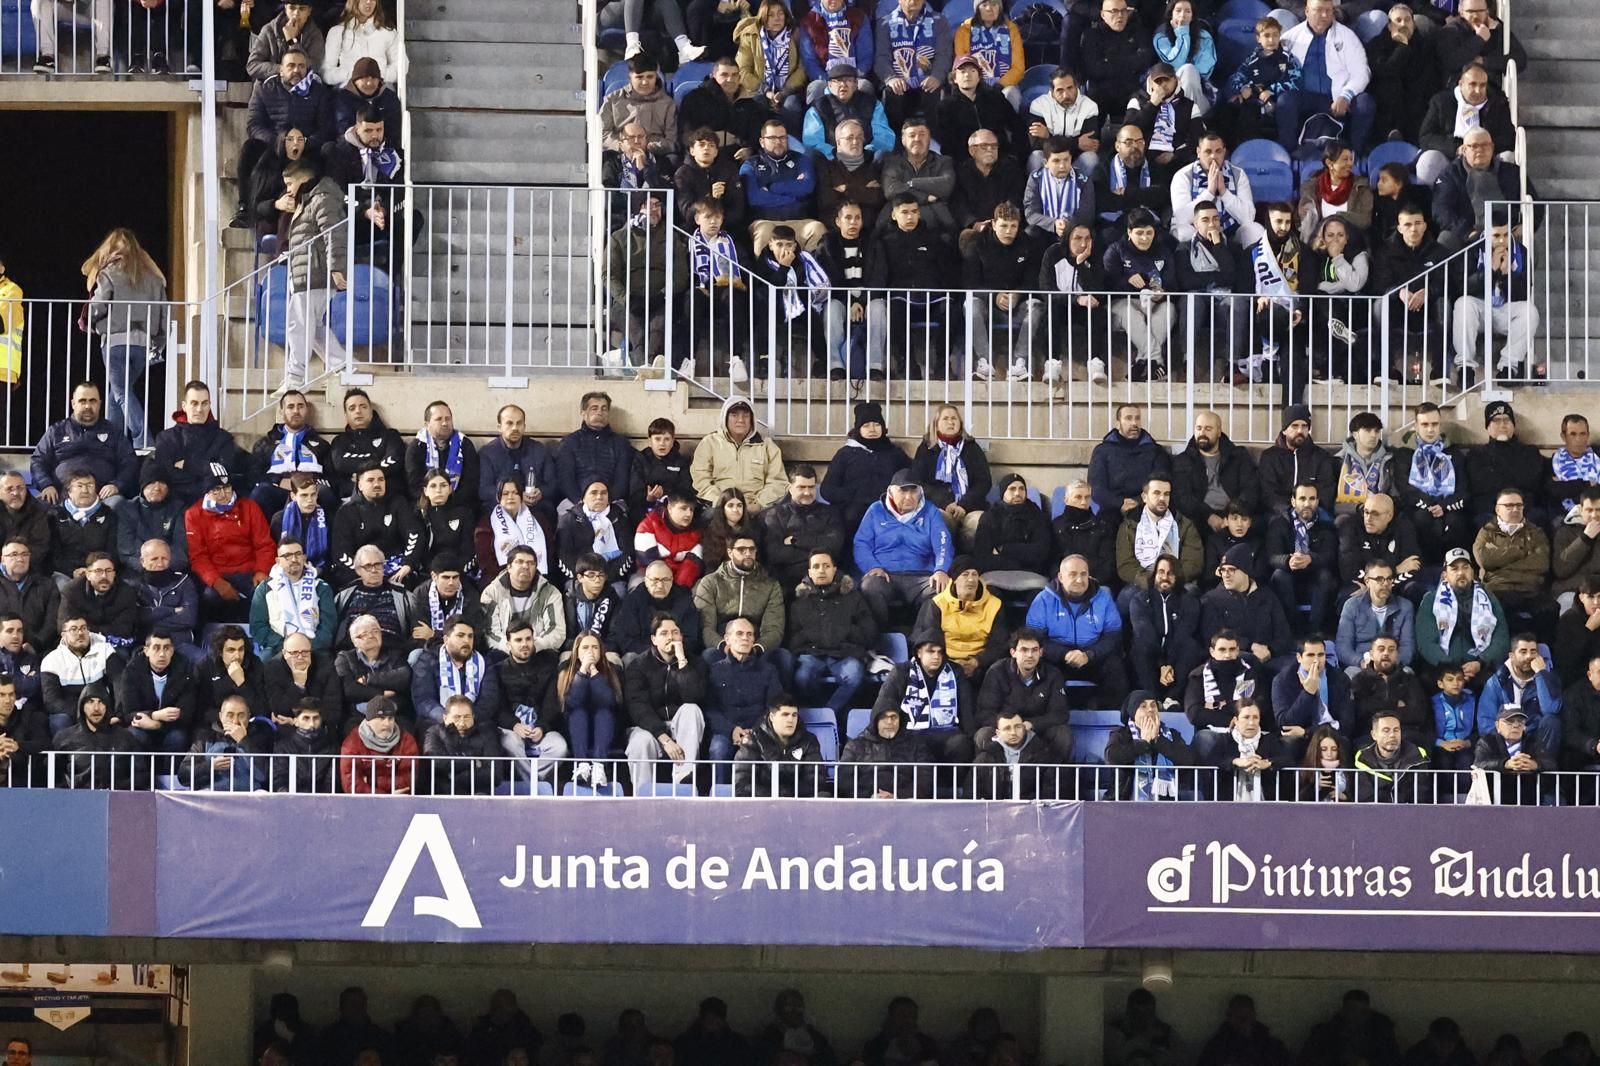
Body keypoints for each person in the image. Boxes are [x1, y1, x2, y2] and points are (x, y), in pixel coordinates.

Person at [1024, 554, 1127, 708]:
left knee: (1115, 666)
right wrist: (1063, 654)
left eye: (1083, 574)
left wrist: (1089, 655)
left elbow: (1113, 637)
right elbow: (1035, 639)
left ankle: (1112, 718)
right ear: (1060, 576)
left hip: (1092, 655)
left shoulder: (1103, 598)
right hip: (1057, 656)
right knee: (1035, 663)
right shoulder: (1044, 599)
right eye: (1073, 574)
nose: (1079, 580)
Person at [853, 471, 955, 625]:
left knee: (941, 589)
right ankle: (881, 640)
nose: (908, 496)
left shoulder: (930, 511)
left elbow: (943, 543)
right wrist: (873, 566)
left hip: (922, 577)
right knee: (870, 586)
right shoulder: (875, 510)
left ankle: (922, 642)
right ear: (891, 491)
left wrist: (940, 569)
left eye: (913, 491)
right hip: (886, 575)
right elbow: (861, 544)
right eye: (903, 490)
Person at [962, 203, 1047, 383]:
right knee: (971, 304)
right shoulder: (977, 243)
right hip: (988, 306)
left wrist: (1017, 294)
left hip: (1017, 305)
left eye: (1013, 226)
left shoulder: (1028, 245)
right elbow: (969, 283)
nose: (1009, 231)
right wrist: (994, 296)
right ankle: (983, 362)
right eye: (1003, 226)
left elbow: (1034, 282)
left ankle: (1019, 363)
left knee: (1036, 306)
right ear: (993, 224)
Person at [1277, 0, 1375, 155]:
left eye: (1329, 11)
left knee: (1365, 103)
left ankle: (1356, 153)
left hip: (1337, 98)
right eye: (1318, 10)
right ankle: (1288, 153)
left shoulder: (1348, 37)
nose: (1324, 15)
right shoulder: (1290, 38)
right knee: (1285, 101)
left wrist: (1346, 95)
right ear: (1307, 11)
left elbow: (1362, 71)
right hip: (1306, 98)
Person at [622, 614, 707, 791]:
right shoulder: (638, 665)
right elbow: (638, 707)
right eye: (664, 633)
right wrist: (664, 739)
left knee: (692, 710)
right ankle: (643, 795)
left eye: (675, 632)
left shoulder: (695, 662)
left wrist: (682, 663)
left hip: (681, 727)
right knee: (640, 743)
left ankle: (684, 782)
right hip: (649, 729)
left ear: (681, 637)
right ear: (654, 639)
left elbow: (694, 696)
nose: (671, 637)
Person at [872, 632, 975, 768]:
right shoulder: (902, 671)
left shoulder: (955, 671)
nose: (936, 657)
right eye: (930, 651)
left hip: (946, 734)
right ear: (919, 652)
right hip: (910, 733)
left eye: (940, 652)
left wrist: (972, 736)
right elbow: (884, 704)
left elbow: (967, 711)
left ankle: (950, 786)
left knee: (961, 743)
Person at [185, 464, 275, 621]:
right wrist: (217, 582)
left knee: (267, 593)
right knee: (209, 597)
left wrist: (262, 571)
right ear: (207, 491)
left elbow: (264, 544)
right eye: (216, 490)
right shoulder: (193, 514)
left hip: (250, 571)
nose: (223, 494)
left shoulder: (249, 507)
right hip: (219, 574)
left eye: (227, 488)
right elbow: (198, 556)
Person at [1453, 221, 1539, 381]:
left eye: (1506, 235)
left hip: (1506, 310)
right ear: (1486, 235)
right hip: (1480, 309)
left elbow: (1525, 292)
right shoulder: (1471, 250)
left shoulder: (1521, 251)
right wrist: (1491, 270)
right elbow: (1463, 287)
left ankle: (1509, 367)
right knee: (1463, 303)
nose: (1501, 240)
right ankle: (1465, 368)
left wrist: (1507, 275)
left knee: (1530, 311)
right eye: (1496, 236)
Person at [30, 382, 139, 508]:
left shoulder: (113, 432)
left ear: (99, 404)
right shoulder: (56, 431)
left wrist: (117, 485)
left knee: (117, 504)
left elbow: (129, 462)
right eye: (82, 401)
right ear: (73, 404)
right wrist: (46, 485)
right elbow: (38, 461)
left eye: (92, 401)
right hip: (61, 497)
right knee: (35, 507)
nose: (88, 406)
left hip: (104, 498)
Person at [974, 626, 1072, 759]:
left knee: (1062, 734)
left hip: (1037, 730)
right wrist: (1010, 727)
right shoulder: (997, 672)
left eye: (1034, 650)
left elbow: (1060, 714)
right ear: (1013, 652)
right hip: (1007, 730)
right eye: (1024, 650)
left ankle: (1056, 779)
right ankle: (992, 779)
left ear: (1041, 652)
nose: (1030, 655)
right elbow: (984, 713)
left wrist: (1032, 724)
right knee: (984, 735)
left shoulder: (1053, 674)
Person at [1102, 208, 1177, 380]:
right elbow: (1105, 285)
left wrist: (1163, 293)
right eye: (1139, 233)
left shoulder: (1163, 251)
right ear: (1129, 232)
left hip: (1154, 303)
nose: (1145, 238)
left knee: (1169, 310)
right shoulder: (1116, 250)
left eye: (1149, 233)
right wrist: (1126, 280)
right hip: (1121, 304)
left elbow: (1173, 284)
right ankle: (1156, 360)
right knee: (1130, 312)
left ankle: (1142, 363)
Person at [1419, 548, 1511, 684]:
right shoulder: (1431, 600)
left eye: (1465, 568)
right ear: (1445, 575)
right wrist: (1450, 667)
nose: (1461, 573)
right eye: (1454, 569)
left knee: (1497, 682)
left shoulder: (1488, 598)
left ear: (1472, 572)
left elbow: (1501, 637)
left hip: (1480, 668)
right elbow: (1425, 642)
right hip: (1443, 670)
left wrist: (1481, 662)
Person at [1392, 402, 1469, 561]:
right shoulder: (1404, 453)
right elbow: (1404, 488)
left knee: (1455, 522)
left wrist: (1443, 506)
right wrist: (1430, 504)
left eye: (1434, 424)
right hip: (1417, 507)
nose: (1430, 429)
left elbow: (1464, 488)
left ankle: (1452, 569)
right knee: (1420, 519)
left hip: (1449, 506)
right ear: (1416, 425)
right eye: (1425, 424)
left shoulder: (1453, 453)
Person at [1200, 544, 1295, 668]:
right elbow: (1212, 637)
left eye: (1231, 569)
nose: (1226, 575)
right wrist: (1250, 646)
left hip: (1269, 659)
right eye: (1223, 570)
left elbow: (1284, 635)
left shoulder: (1267, 596)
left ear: (1246, 571)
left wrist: (1270, 650)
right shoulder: (1211, 600)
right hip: (1234, 661)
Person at [1264, 482, 1340, 635]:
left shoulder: (1326, 524)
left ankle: (1315, 630)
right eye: (1302, 498)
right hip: (1289, 570)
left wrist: (1310, 559)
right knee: (1279, 576)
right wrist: (1288, 560)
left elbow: (1330, 555)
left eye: (1312, 499)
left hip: (1314, 569)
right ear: (1293, 501)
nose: (1307, 504)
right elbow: (1272, 556)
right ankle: (1293, 629)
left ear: (1317, 501)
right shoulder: (1279, 523)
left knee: (1325, 576)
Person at [910, 404, 991, 546]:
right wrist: (946, 503)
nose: (950, 422)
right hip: (940, 506)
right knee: (938, 521)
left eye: (954, 418)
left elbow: (983, 482)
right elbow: (918, 482)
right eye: (945, 419)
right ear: (936, 424)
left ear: (960, 423)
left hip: (970, 507)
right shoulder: (927, 448)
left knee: (979, 523)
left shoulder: (971, 448)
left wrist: (963, 505)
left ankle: (973, 565)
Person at [821, 402, 909, 532]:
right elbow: (827, 489)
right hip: (852, 518)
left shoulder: (895, 453)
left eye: (877, 424)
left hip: (889, 515)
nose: (872, 429)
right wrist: (854, 495)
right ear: (858, 429)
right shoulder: (845, 454)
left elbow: (910, 479)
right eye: (866, 425)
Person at [692, 397, 788, 515]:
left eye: (746, 415)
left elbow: (777, 481)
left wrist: (759, 504)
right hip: (719, 506)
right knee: (708, 517)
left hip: (756, 508)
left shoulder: (766, 446)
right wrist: (721, 501)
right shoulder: (709, 443)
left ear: (752, 419)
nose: (741, 420)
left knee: (772, 520)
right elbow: (700, 479)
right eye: (734, 415)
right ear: (725, 418)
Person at [915, 557, 1007, 681]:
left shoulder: (994, 605)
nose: (971, 579)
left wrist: (977, 661)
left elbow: (999, 643)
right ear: (954, 580)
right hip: (944, 663)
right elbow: (929, 639)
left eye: (974, 575)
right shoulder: (937, 604)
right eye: (965, 574)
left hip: (981, 666)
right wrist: (950, 663)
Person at [1472, 488, 1551, 631]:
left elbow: (1541, 563)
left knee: (1550, 608)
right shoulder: (1487, 532)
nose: (1515, 509)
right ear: (1497, 509)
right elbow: (1485, 560)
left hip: (1530, 589)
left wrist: (1501, 562)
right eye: (1509, 506)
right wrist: (1520, 551)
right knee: (1499, 609)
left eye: (1519, 505)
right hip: (1499, 588)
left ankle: (1541, 649)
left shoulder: (1536, 532)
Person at [693, 532, 785, 654]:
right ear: (730, 553)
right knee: (709, 656)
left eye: (752, 550)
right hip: (721, 645)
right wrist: (723, 646)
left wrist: (756, 648)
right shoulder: (710, 582)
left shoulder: (770, 585)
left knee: (784, 658)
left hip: (755, 645)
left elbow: (774, 628)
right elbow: (706, 626)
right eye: (742, 550)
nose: (748, 554)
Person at [1116, 475, 1203, 603]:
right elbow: (1125, 565)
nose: (1162, 498)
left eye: (1166, 494)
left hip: (1177, 581)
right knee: (1127, 597)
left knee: (1191, 592)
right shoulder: (1129, 525)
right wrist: (1152, 581)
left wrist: (1170, 578)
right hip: (1141, 583)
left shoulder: (1184, 524)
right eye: (1156, 493)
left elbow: (1193, 563)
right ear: (1144, 497)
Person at [1130, 554, 1205, 702]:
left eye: (1170, 573)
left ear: (1177, 576)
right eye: (1161, 572)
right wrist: (1162, 664)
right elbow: (1145, 635)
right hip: (1153, 657)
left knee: (1191, 646)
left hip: (1176, 657)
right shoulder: (1140, 600)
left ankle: (1172, 698)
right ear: (1154, 574)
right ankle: (1152, 699)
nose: (1165, 577)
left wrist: (1169, 663)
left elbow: (1183, 635)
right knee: (1139, 647)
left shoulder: (1189, 601)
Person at [1171, 409, 1260, 533]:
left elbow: (1250, 489)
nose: (1202, 433)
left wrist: (1233, 515)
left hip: (1234, 515)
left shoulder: (1239, 457)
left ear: (1219, 432)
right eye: (1198, 428)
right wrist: (1208, 516)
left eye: (1208, 429)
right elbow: (1183, 497)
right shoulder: (1183, 461)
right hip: (1199, 517)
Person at [553, 632, 623, 789]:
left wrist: (595, 673)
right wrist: (583, 672)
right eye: (585, 648)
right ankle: (582, 765)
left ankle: (599, 766)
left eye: (594, 648)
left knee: (603, 711)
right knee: (579, 711)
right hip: (575, 729)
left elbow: (609, 701)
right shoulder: (565, 670)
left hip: (606, 730)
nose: (590, 652)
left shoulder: (613, 670)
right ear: (577, 651)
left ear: (601, 651)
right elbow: (572, 702)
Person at [248, 537, 336, 658]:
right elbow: (258, 627)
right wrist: (288, 646)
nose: (294, 559)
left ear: (304, 558)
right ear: (278, 561)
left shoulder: (320, 587)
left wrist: (307, 647)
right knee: (263, 661)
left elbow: (328, 627)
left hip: (314, 648)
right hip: (278, 649)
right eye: (287, 555)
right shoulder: (265, 589)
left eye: (298, 554)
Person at [873, 0, 954, 130]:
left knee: (935, 92)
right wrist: (891, 78)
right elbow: (881, 57)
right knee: (891, 92)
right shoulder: (885, 23)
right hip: (899, 80)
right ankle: (897, 141)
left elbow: (943, 54)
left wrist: (937, 76)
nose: (913, 0)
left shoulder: (939, 21)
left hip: (928, 80)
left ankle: (934, 142)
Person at [1477, 634, 1562, 758]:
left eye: (1533, 652)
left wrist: (1540, 674)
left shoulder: (1547, 678)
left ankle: (1543, 772)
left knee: (1552, 721)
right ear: (1512, 656)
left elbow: (1550, 709)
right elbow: (1485, 723)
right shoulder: (1497, 682)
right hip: (1503, 745)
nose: (1529, 657)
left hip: (1535, 744)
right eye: (1523, 652)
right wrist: (1511, 738)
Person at [411, 616, 503, 728]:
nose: (466, 640)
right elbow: (423, 700)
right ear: (446, 639)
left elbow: (489, 700)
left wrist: (467, 720)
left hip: (475, 724)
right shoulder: (428, 660)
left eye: (470, 636)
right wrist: (448, 719)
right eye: (460, 635)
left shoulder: (484, 663)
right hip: (438, 724)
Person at [115, 631, 197, 755]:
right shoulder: (132, 671)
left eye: (166, 648)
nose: (162, 654)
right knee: (135, 734)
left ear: (172, 650)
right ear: (146, 651)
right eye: (156, 648)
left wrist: (157, 725)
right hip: (143, 726)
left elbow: (186, 713)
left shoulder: (185, 669)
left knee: (178, 737)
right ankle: (142, 774)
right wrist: (154, 715)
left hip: (172, 727)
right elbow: (128, 713)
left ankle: (172, 774)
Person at [1169, 132, 1258, 247]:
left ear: (1224, 152)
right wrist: (1209, 192)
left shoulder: (1238, 174)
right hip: (1197, 231)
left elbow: (1248, 217)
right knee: (1183, 232)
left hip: (1230, 230)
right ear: (1198, 152)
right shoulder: (1183, 176)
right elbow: (1181, 217)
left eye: (1218, 151)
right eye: (1208, 151)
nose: (1213, 156)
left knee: (1254, 230)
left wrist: (1224, 192)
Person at [51, 683, 145, 791]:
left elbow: (141, 775)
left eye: (101, 702)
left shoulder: (126, 737)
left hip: (116, 801)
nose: (96, 708)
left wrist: (117, 788)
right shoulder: (64, 738)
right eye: (90, 702)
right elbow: (55, 776)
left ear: (107, 706)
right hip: (76, 801)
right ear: (82, 706)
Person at [1106, 689, 1196, 800]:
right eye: (1143, 706)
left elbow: (1188, 759)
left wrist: (1158, 740)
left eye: (1153, 706)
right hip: (1125, 801)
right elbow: (1112, 757)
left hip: (1166, 803)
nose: (1150, 710)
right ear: (1133, 712)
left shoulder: (1171, 734)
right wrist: (1143, 743)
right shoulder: (1121, 734)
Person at [972, 473, 1053, 593]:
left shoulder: (1037, 516)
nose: (1017, 493)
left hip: (1032, 577)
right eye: (1012, 489)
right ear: (1003, 493)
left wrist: (1004, 549)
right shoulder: (990, 517)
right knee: (990, 596)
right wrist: (1022, 560)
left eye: (1021, 489)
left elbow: (1042, 553)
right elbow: (982, 557)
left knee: (1038, 598)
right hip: (996, 577)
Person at [479, 545, 565, 657]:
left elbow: (557, 631)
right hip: (504, 651)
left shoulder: (550, 593)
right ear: (509, 567)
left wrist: (532, 646)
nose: (525, 566)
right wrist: (511, 648)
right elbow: (489, 632)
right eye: (519, 562)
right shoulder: (492, 592)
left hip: (538, 650)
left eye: (531, 563)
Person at [1089, 403, 1170, 518]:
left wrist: (1138, 502)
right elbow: (1096, 489)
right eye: (1128, 418)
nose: (1134, 423)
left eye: (1137, 418)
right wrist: (1119, 503)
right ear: (1118, 423)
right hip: (1111, 511)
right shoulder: (1102, 451)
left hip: (1146, 510)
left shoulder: (1155, 451)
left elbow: (1161, 483)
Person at [938, 53, 1019, 167]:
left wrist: (1013, 155)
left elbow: (1017, 125)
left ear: (979, 76)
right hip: (965, 163)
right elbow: (948, 144)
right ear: (954, 78)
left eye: (972, 71)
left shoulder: (995, 98)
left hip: (1000, 158)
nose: (967, 75)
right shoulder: (946, 106)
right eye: (962, 71)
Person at [733, 696, 825, 797]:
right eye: (785, 715)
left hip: (799, 806)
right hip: (761, 807)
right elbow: (741, 786)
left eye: (794, 715)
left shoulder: (809, 741)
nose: (790, 720)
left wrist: (784, 795)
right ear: (772, 717)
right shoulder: (752, 741)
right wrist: (777, 797)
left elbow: (815, 783)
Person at [1258, 404, 1340, 516]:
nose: (1300, 430)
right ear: (1284, 430)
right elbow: (1268, 493)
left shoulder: (1321, 456)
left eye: (1304, 426)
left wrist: (1308, 511)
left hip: (1314, 515)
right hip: (1279, 515)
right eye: (1294, 426)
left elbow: (1326, 491)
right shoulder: (1270, 457)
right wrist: (1289, 512)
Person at [838, 703, 932, 798]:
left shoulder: (916, 746)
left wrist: (897, 796)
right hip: (863, 806)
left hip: (906, 806)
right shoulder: (855, 746)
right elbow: (844, 781)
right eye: (884, 717)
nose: (889, 722)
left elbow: (925, 780)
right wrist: (869, 797)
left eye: (894, 717)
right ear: (875, 721)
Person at [558, 393, 634, 509]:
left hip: (612, 502)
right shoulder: (570, 442)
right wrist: (580, 502)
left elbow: (622, 480)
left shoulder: (621, 443)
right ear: (583, 413)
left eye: (604, 409)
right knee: (564, 513)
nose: (599, 412)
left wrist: (605, 502)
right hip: (576, 501)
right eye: (594, 408)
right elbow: (566, 479)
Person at [1077, 0, 1154, 115]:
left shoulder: (1138, 31)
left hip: (1132, 88)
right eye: (1114, 11)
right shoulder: (1091, 35)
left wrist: (1110, 61)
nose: (1120, 15)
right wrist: (1129, 62)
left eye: (1124, 11)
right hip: (1102, 90)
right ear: (1103, 15)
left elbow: (1145, 60)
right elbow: (1094, 69)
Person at [1338, 558, 1417, 669]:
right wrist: (1361, 662)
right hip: (1362, 665)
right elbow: (1343, 647)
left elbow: (1408, 647)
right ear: (1367, 581)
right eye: (1379, 579)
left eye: (1389, 579)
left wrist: (1392, 664)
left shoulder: (1405, 606)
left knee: (1407, 672)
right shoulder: (1352, 606)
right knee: (1351, 674)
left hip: (1393, 665)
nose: (1385, 584)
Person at [615, 561, 701, 661]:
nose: (660, 585)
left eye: (665, 580)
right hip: (644, 655)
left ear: (672, 580)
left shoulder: (684, 600)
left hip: (678, 654)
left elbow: (691, 638)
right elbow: (626, 639)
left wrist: (671, 652)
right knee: (630, 658)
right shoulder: (634, 600)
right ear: (646, 581)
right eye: (655, 580)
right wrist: (657, 653)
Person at [1205, 696, 1286, 801]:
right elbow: (1211, 760)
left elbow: (1288, 760)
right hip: (1227, 806)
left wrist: (1268, 763)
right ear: (1236, 721)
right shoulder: (1225, 740)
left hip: (1267, 805)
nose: (1251, 723)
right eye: (1246, 717)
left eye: (1255, 717)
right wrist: (1235, 761)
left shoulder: (1269, 740)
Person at [421, 695, 505, 796]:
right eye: (456, 717)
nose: (461, 723)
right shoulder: (434, 733)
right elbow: (436, 763)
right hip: (442, 795)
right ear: (445, 717)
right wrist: (472, 762)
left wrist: (456, 779)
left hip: (478, 795)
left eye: (467, 717)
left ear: (473, 717)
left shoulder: (487, 734)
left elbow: (495, 774)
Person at [600, 56, 682, 158]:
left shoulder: (667, 104)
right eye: (639, 77)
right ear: (630, 77)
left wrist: (647, 147)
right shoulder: (613, 99)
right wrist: (622, 146)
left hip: (655, 154)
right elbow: (602, 133)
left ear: (656, 77)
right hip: (620, 152)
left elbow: (672, 140)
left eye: (650, 77)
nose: (645, 82)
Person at [336, 613, 414, 721]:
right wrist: (381, 693)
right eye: (364, 634)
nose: (371, 636)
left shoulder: (395, 654)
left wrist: (370, 679)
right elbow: (350, 690)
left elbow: (403, 677)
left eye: (375, 631)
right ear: (355, 641)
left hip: (394, 714)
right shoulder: (345, 658)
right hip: (358, 717)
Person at [405, 401, 480, 513]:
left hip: (458, 505)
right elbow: (414, 483)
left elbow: (471, 482)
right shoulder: (417, 447)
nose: (445, 423)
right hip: (425, 504)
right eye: (439, 419)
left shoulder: (464, 445)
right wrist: (434, 501)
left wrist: (449, 503)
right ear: (427, 424)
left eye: (448, 419)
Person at [48, 470, 118, 587]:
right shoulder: (55, 515)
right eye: (79, 486)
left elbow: (113, 551)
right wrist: (72, 571)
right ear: (69, 491)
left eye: (90, 485)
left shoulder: (109, 515)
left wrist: (94, 571)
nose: (85, 490)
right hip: (64, 573)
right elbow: (53, 553)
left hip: (101, 572)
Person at [480, 477, 554, 586]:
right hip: (500, 579)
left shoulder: (539, 518)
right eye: (505, 493)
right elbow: (485, 560)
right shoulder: (486, 523)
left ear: (521, 497)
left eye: (515, 493)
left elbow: (550, 549)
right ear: (498, 497)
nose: (510, 497)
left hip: (535, 576)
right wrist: (513, 576)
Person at [1473, 703, 1551, 804]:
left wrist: (1535, 764)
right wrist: (1505, 764)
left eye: (1520, 722)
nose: (1515, 726)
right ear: (1497, 725)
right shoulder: (1487, 742)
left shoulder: (1534, 741)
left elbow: (1550, 763)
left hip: (1529, 799)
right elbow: (1479, 764)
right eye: (1509, 722)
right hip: (1495, 799)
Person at [118, 463, 188, 574]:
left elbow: (181, 548)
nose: (157, 488)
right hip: (137, 573)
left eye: (162, 483)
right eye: (151, 483)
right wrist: (148, 568)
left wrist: (162, 567)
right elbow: (127, 551)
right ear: (142, 486)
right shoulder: (127, 509)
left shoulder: (178, 509)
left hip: (170, 572)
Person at [60, 551, 139, 650]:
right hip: (80, 642)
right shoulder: (72, 591)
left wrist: (90, 630)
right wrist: (100, 632)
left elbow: (124, 629)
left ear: (114, 574)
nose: (104, 576)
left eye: (108, 571)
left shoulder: (126, 593)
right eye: (98, 571)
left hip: (112, 644)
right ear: (88, 574)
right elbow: (66, 625)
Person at [408, 553, 486, 647]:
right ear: (434, 576)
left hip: (463, 652)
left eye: (455, 577)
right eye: (446, 577)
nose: (451, 583)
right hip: (429, 649)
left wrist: (433, 635)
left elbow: (475, 636)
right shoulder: (420, 594)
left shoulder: (470, 594)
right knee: (414, 656)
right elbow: (419, 635)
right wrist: (453, 639)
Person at [1332, 412, 1393, 521]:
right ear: (1355, 434)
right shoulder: (1338, 461)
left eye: (1377, 431)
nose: (1373, 435)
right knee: (1343, 521)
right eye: (1368, 430)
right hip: (1351, 513)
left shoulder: (1389, 460)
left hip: (1380, 515)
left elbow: (1394, 496)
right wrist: (1358, 508)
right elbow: (1331, 500)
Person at [0, 473, 50, 574]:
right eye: (9, 489)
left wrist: (18, 562)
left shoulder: (38, 511)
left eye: (20, 488)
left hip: (29, 570)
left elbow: (40, 546)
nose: (16, 493)